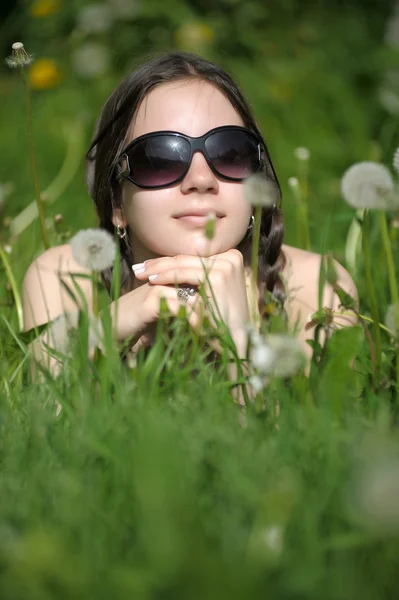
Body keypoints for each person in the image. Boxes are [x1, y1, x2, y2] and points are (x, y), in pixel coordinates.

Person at [22, 51, 358, 379]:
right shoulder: (66, 278)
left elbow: (308, 433)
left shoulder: (316, 288)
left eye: (230, 153)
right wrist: (101, 333)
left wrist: (238, 345)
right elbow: (44, 424)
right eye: (160, 158)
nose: (201, 180)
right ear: (117, 205)